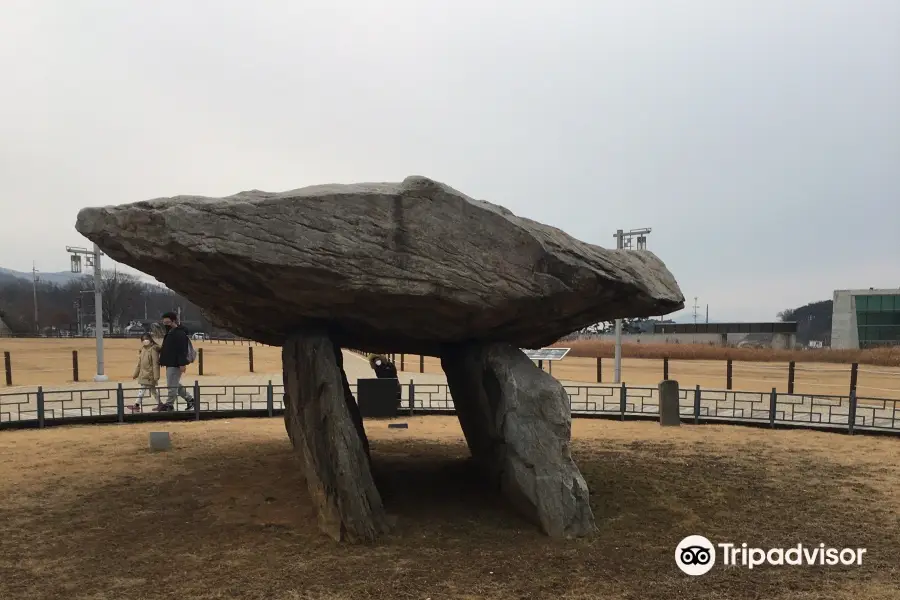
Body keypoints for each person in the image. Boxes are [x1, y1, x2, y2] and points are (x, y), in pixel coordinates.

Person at [156, 311, 195, 412]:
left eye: (167, 322)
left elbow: (181, 350)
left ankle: (169, 404)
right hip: (170, 362)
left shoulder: (179, 333)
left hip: (175, 363)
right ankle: (190, 399)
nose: (165, 325)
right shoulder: (170, 332)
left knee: (172, 385)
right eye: (164, 323)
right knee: (175, 383)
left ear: (174, 321)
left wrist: (182, 364)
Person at [131, 333, 160, 412]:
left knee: (142, 389)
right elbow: (139, 364)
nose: (145, 340)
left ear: (151, 339)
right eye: (143, 339)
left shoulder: (153, 349)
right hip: (143, 375)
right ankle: (160, 404)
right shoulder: (143, 350)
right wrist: (135, 374)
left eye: (146, 338)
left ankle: (136, 405)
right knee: (153, 391)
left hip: (150, 375)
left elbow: (155, 364)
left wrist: (156, 376)